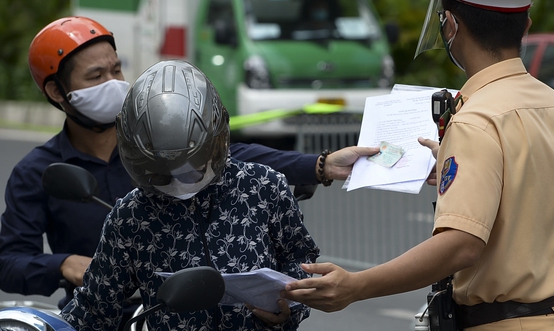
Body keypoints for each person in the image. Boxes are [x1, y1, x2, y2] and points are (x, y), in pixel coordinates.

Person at [282, 0, 554, 330]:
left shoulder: (475, 120)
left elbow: (461, 246)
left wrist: (356, 285)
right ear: (527, 25)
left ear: (450, 25)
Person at [0, 16, 377, 313]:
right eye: (96, 76)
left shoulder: (160, 140)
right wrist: (64, 264)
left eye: (116, 70)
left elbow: (235, 158)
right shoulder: (39, 173)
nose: (114, 83)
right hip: (116, 314)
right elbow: (10, 262)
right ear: (56, 91)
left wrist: (322, 164)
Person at [60, 59, 319, 330]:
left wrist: (290, 307)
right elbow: (94, 308)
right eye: (160, 176)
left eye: (190, 172)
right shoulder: (130, 217)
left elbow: (299, 255)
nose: (176, 184)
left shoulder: (263, 186)